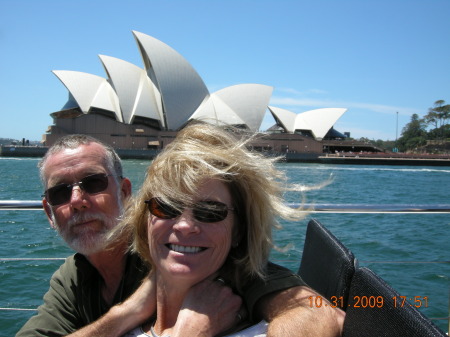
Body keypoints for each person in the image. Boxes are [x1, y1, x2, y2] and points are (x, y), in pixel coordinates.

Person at [17, 132, 344, 337]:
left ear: (126, 192)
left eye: (93, 183)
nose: (77, 201)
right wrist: (127, 313)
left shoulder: (190, 257)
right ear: (48, 211)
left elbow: (313, 313)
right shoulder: (71, 278)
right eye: (61, 193)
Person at [119, 122, 345, 336]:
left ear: (238, 231)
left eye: (210, 212)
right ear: (145, 218)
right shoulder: (123, 310)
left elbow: (321, 314)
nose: (185, 225)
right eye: (166, 207)